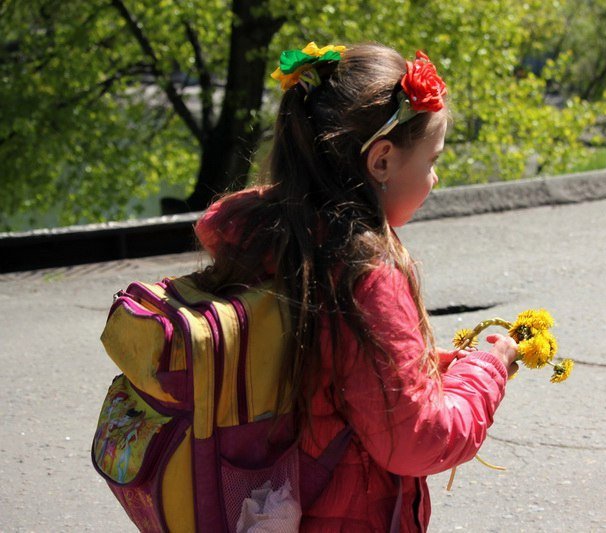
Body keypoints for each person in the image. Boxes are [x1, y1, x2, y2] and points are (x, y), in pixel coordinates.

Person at [192, 42, 519, 532]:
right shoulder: (365, 274)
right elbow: (418, 440)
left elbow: (330, 372)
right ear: (382, 161)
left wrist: (433, 367)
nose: (433, 178)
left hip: (262, 504)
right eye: (431, 160)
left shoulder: (266, 236)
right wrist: (488, 371)